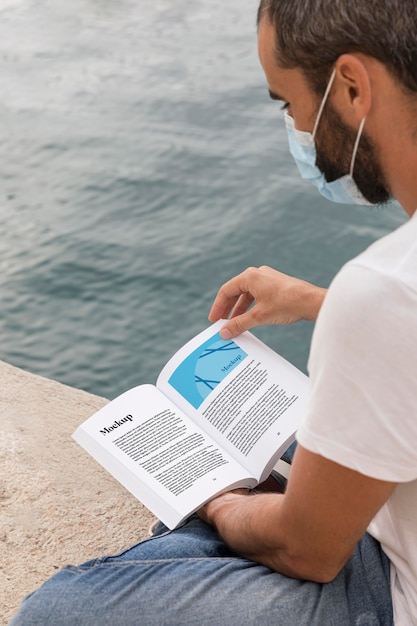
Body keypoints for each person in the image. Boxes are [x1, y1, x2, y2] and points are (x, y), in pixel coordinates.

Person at [10, 0, 417, 624]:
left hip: (389, 586)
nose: (297, 127)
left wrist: (218, 501)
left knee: (60, 610)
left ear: (353, 86)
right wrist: (317, 303)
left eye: (289, 104)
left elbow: (308, 552)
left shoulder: (384, 288)